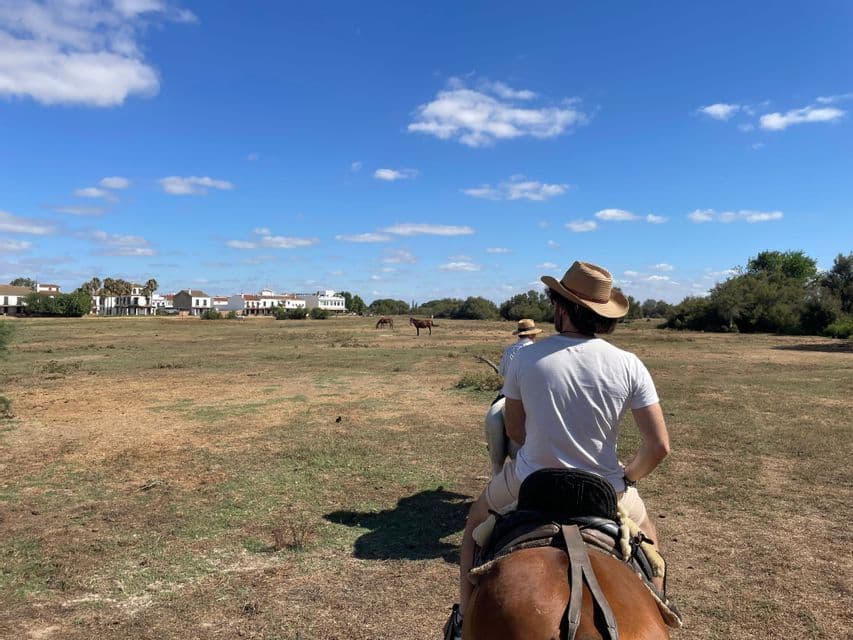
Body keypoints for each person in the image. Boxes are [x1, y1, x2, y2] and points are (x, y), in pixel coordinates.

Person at [444, 260, 671, 640]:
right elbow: (659, 445)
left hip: (530, 479)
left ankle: (465, 617)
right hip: (606, 487)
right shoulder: (630, 365)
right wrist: (627, 478)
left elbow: (515, 428)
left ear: (560, 305)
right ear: (601, 312)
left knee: (472, 527)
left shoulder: (528, 358)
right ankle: (662, 608)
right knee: (649, 540)